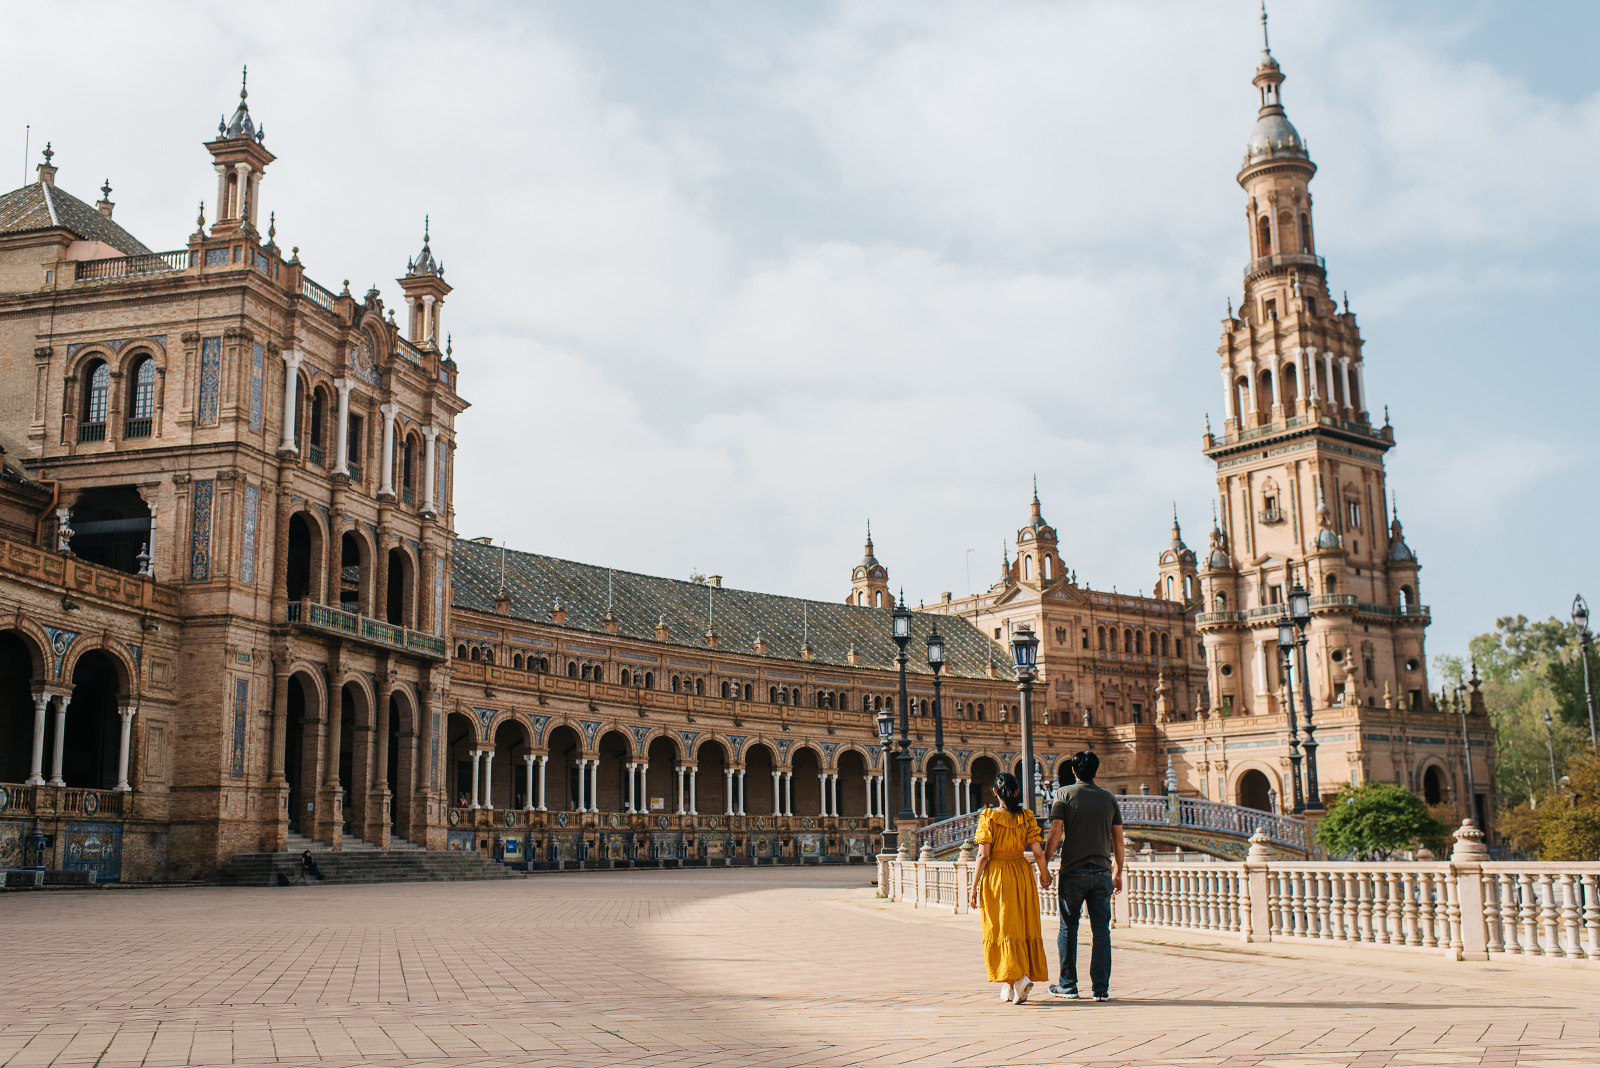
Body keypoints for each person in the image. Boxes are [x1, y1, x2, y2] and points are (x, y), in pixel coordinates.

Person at [1044, 749, 1123, 1001]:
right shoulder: (1109, 798)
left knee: (1068, 928)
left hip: (1072, 872)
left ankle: (1068, 985)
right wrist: (1118, 870)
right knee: (1102, 931)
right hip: (1102, 873)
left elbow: (1055, 833)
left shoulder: (1063, 794)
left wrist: (1043, 863)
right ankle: (1100, 988)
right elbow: (1118, 839)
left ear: (1074, 771)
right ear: (1095, 771)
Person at [966, 772, 1052, 1004]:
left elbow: (983, 855)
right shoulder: (1026, 816)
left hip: (996, 875)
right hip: (1021, 873)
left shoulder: (988, 816)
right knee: (1019, 925)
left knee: (1001, 928)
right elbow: (1037, 852)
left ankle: (1018, 978)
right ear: (1016, 792)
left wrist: (973, 887)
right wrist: (1045, 874)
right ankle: (1010, 983)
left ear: (994, 792)